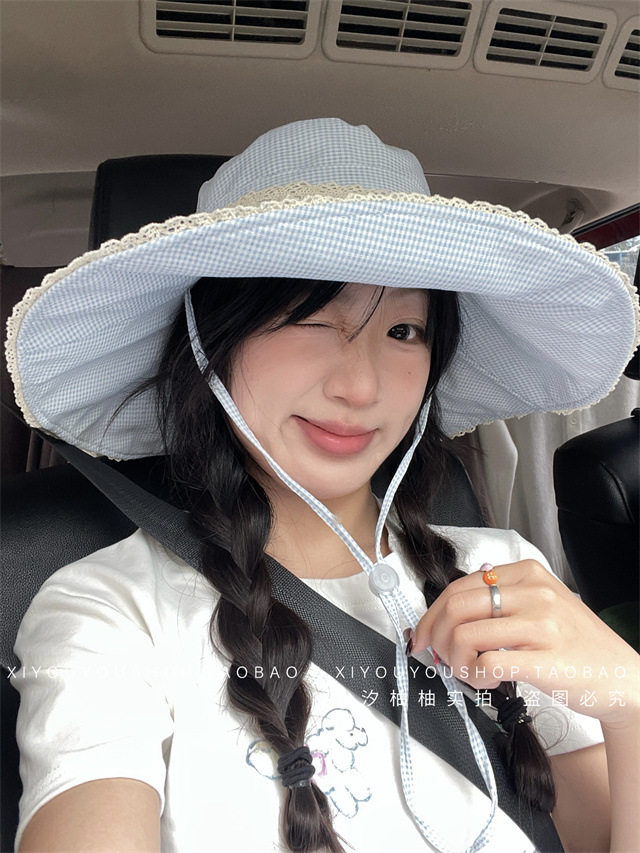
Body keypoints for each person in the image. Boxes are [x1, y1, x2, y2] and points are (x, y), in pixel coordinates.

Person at [5, 118, 639, 853]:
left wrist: (629, 700)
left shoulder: (506, 571)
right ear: (211, 342)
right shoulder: (110, 611)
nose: (360, 386)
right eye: (306, 317)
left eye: (404, 331)